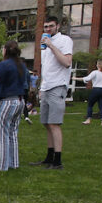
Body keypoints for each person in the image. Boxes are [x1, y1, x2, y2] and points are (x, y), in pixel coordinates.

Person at [32, 15, 73, 169]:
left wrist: (52, 46)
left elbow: (67, 63)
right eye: (46, 26)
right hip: (47, 87)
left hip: (58, 86)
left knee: (54, 124)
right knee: (47, 123)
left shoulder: (65, 41)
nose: (48, 29)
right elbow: (47, 68)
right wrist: (42, 89)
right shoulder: (44, 44)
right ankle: (49, 157)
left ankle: (58, 160)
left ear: (57, 26)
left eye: (51, 26)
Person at [0, 40, 29, 171]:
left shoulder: (4, 65)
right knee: (13, 133)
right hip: (19, 101)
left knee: (2, 134)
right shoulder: (21, 65)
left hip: (7, 101)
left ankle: (2, 165)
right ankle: (13, 163)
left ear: (6, 50)